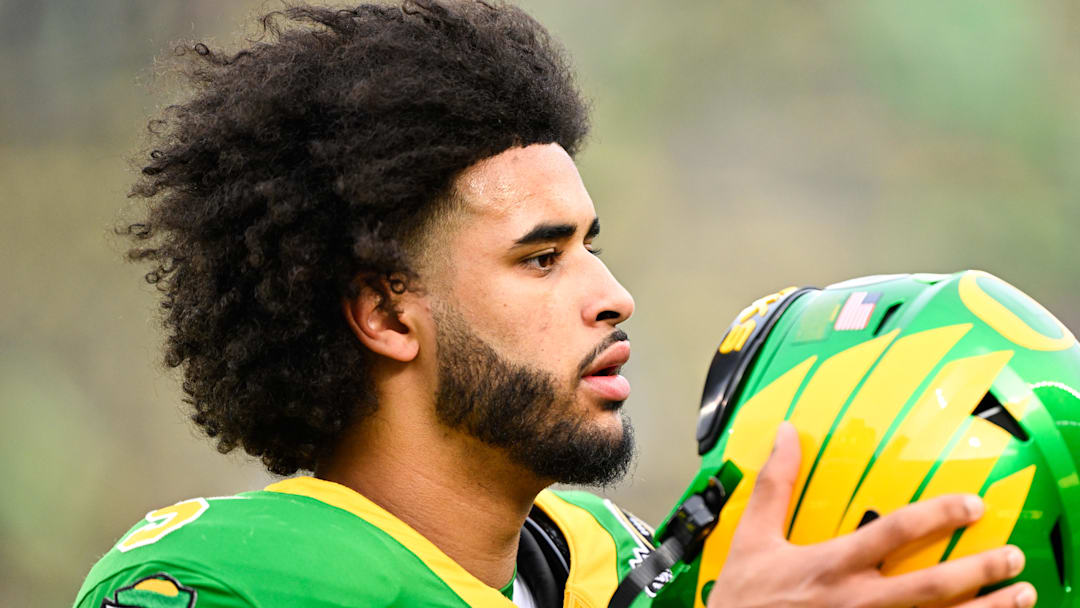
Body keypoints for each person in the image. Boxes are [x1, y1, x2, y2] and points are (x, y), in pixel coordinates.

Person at [73, 2, 1035, 607]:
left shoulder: (627, 567)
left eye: (591, 247)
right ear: (388, 316)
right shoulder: (209, 585)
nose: (613, 298)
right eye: (540, 259)